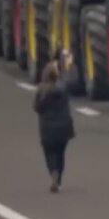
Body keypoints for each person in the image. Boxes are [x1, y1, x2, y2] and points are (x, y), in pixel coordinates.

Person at [32, 54, 75, 192]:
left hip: (47, 130)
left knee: (49, 154)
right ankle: (58, 177)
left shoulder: (40, 91)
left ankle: (53, 174)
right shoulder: (63, 88)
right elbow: (71, 79)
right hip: (63, 129)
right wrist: (69, 65)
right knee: (60, 153)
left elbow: (36, 108)